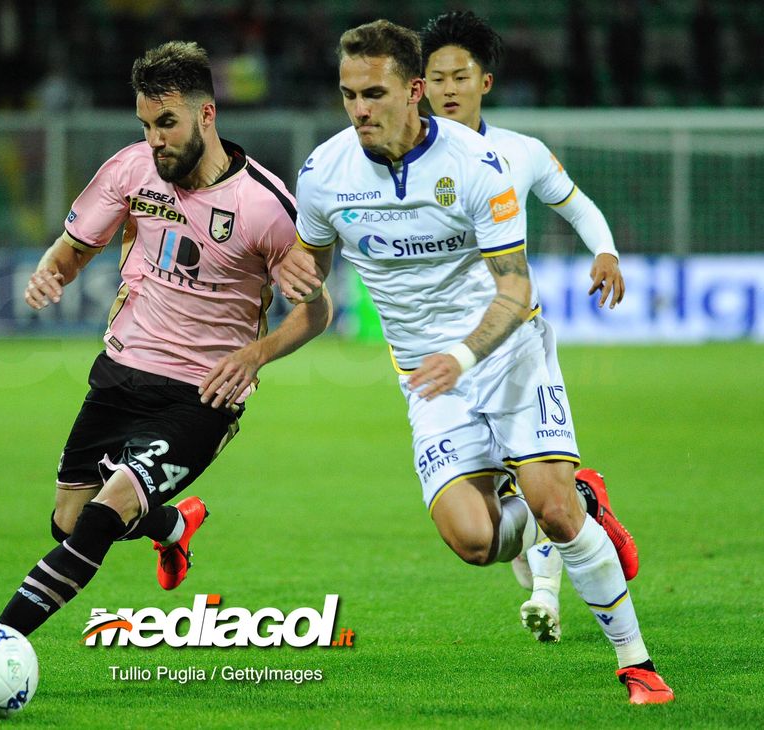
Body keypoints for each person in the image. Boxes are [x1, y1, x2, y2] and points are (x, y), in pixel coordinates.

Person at [277, 20, 673, 704]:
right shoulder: (322, 173)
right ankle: (578, 497)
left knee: (553, 513)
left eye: (374, 93)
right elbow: (305, 266)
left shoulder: (481, 162)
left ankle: (637, 665)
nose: (359, 109)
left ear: (414, 91)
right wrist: (290, 278)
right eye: (349, 94)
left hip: (507, 353)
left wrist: (464, 354)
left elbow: (514, 288)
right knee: (472, 540)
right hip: (428, 378)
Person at [0, 41, 331, 638]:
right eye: (146, 125)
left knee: (102, 518)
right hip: (121, 374)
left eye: (167, 123)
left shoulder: (266, 206)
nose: (155, 139)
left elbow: (316, 312)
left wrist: (255, 355)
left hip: (202, 395)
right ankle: (173, 526)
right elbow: (72, 250)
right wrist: (51, 272)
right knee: (68, 521)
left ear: (207, 114)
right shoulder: (130, 170)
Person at [419, 10, 627, 646]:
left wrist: (606, 250)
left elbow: (577, 205)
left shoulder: (521, 152)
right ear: (418, 85)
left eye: (460, 76)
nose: (447, 89)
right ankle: (577, 511)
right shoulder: (399, 162)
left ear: (484, 82)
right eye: (436, 78)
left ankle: (573, 591)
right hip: (441, 361)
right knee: (489, 524)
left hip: (512, 348)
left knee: (536, 492)